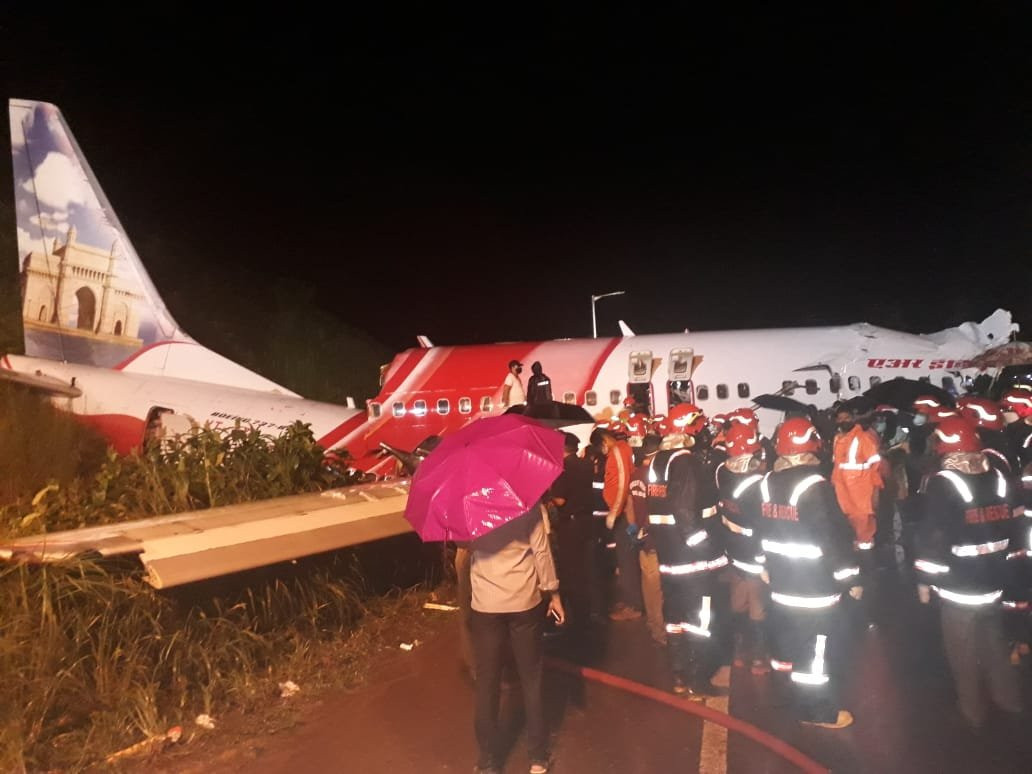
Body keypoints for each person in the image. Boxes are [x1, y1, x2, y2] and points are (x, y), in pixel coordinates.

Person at [913, 416, 1023, 729]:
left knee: (962, 652)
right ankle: (1009, 700)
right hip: (995, 581)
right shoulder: (999, 477)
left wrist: (925, 580)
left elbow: (933, 535)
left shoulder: (943, 483)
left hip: (960, 586)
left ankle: (971, 710)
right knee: (995, 644)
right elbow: (1015, 526)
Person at [758, 417, 859, 729]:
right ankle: (818, 712)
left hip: (780, 584)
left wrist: (764, 566)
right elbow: (832, 539)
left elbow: (760, 530)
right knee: (816, 652)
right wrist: (850, 579)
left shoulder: (766, 482)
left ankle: (790, 697)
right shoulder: (816, 487)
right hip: (814, 589)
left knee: (790, 646)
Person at [470, 504, 565, 774]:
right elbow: (541, 552)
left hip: (485, 603)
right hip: (524, 600)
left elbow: (463, 544)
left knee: (487, 681)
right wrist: (553, 593)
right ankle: (538, 758)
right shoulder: (528, 505)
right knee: (531, 678)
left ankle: (488, 762)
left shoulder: (471, 505)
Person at [646, 403, 725, 696]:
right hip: (692, 561)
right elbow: (684, 510)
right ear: (687, 430)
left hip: (669, 558)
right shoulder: (686, 462)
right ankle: (698, 680)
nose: (702, 432)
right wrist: (705, 547)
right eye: (698, 427)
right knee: (699, 620)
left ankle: (679, 675)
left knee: (675, 617)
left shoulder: (658, 461)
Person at [716, 422, 769, 674]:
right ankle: (758, 657)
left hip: (733, 551)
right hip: (754, 554)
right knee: (758, 604)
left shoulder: (722, 475)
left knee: (738, 602)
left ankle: (739, 652)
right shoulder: (759, 484)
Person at [547, 432, 595, 632]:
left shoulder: (563, 469)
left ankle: (577, 617)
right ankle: (588, 613)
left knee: (571, 570)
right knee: (585, 568)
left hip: (570, 525)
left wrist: (549, 492)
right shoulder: (586, 465)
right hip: (587, 521)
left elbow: (560, 500)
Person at [599, 427, 644, 621]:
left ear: (604, 441)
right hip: (625, 512)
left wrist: (614, 512)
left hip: (623, 514)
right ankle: (631, 601)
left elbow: (622, 483)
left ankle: (634, 605)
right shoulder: (623, 449)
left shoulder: (617, 451)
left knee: (627, 561)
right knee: (628, 560)